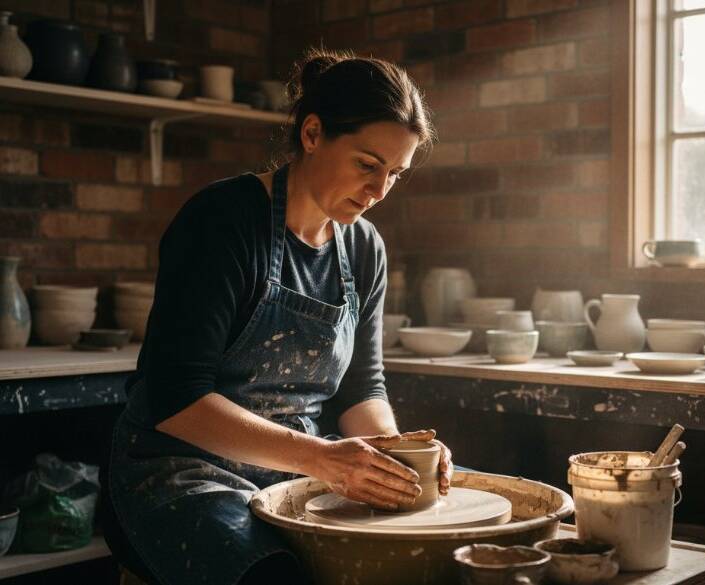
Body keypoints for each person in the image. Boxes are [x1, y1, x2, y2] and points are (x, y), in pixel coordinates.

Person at [106, 48, 452, 585]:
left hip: (296, 471)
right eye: (367, 165)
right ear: (312, 134)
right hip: (181, 471)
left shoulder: (365, 248)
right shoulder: (223, 221)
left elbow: (361, 388)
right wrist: (322, 459)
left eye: (395, 174)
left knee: (447, 543)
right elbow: (175, 398)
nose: (379, 191)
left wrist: (397, 455)